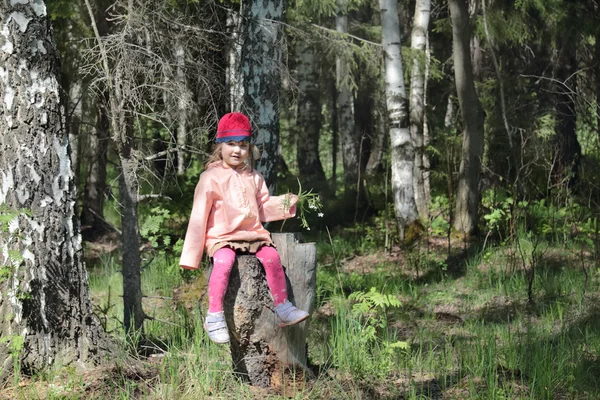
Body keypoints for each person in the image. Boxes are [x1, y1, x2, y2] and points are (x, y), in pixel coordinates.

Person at [179, 112, 310, 344]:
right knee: (224, 261)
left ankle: (282, 307)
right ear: (219, 145)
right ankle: (215, 315)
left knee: (271, 256)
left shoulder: (254, 177)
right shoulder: (210, 177)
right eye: (231, 144)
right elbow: (198, 216)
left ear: (249, 148)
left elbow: (262, 207)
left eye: (243, 145)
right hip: (222, 236)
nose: (237, 150)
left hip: (252, 235)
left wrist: (286, 203)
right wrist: (191, 257)